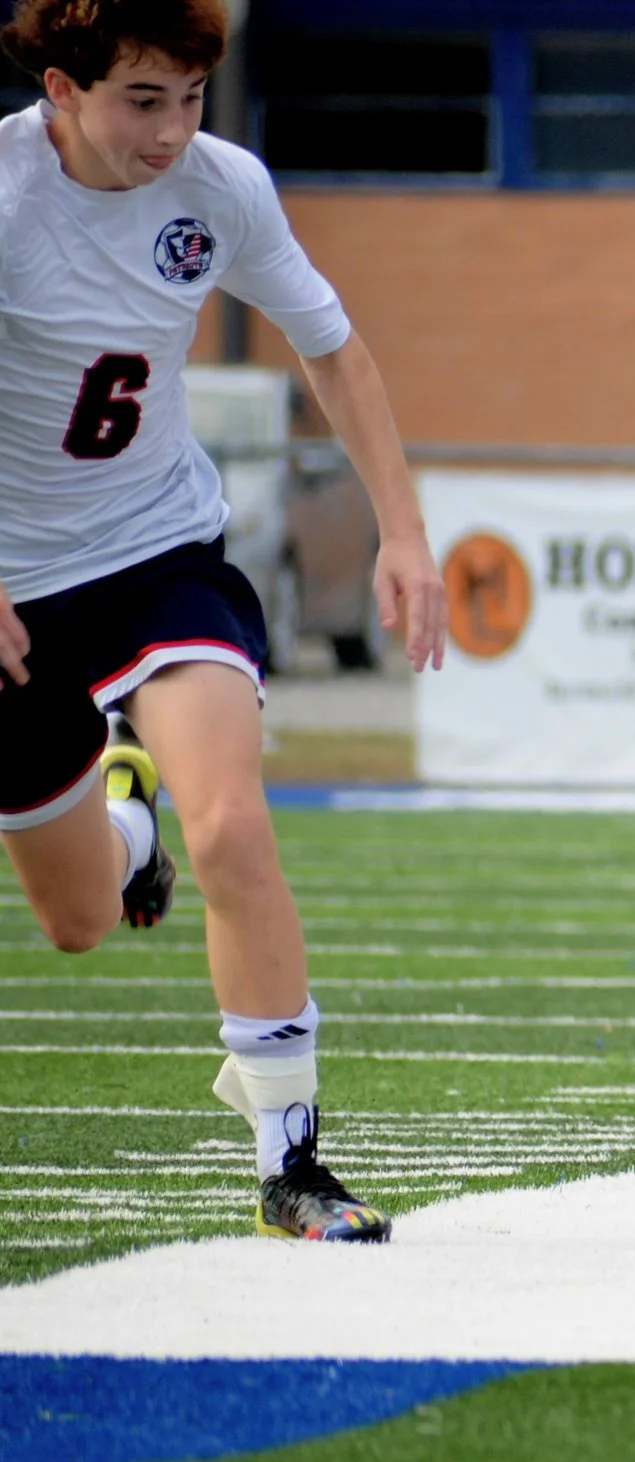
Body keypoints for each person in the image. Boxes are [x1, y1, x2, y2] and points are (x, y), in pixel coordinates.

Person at [0, 0, 447, 1239]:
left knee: (237, 827)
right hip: (14, 588)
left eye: (192, 97)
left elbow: (333, 350)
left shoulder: (222, 187)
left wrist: (404, 532)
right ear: (60, 87)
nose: (172, 131)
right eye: (143, 100)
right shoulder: (6, 197)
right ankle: (122, 819)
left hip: (158, 555)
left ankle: (291, 1165)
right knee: (79, 924)